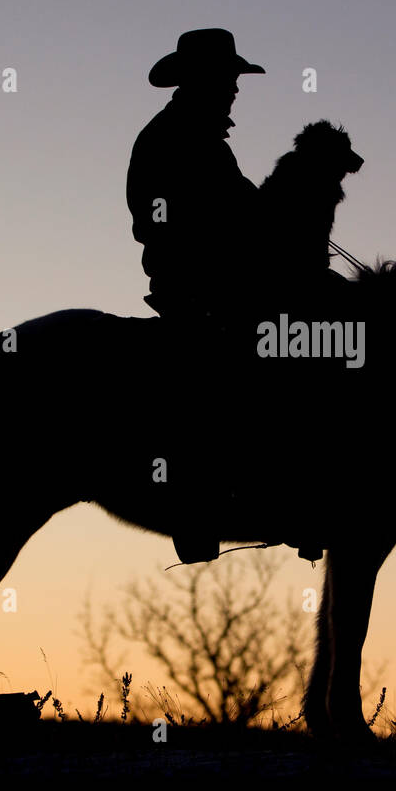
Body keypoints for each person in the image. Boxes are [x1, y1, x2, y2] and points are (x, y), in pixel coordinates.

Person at [126, 29, 267, 564]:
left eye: (235, 78)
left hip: (216, 280)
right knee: (228, 365)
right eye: (228, 78)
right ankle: (195, 503)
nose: (234, 88)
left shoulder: (206, 140)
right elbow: (158, 217)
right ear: (202, 80)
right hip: (193, 286)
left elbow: (244, 208)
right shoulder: (172, 137)